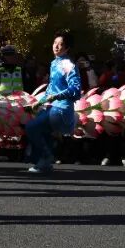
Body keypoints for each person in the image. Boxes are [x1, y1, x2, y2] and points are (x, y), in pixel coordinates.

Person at [24, 31, 82, 174]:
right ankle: (45, 163)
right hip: (52, 107)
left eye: (61, 44)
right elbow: (50, 90)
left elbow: (75, 89)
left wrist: (55, 97)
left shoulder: (67, 64)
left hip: (61, 109)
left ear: (67, 48)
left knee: (32, 127)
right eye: (55, 43)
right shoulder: (54, 63)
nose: (56, 47)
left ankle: (46, 156)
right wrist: (38, 103)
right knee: (41, 130)